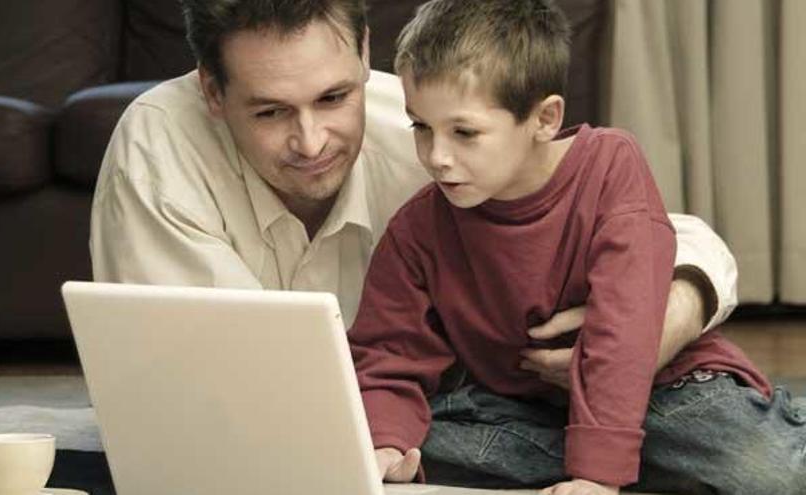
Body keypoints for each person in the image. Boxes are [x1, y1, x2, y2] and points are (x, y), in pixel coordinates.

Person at [87, 0, 755, 486]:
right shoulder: (159, 151)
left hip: (582, 393)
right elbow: (201, 396)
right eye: (270, 112)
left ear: (365, 48)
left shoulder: (439, 120)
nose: (313, 141)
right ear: (212, 91)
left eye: (333, 96)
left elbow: (667, 231)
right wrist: (382, 437)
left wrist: (666, 316)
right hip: (424, 409)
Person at [348, 1, 806, 494]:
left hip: (663, 390)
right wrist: (386, 444)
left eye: (464, 133)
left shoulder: (611, 166)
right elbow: (390, 353)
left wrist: (596, 477)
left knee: (766, 473)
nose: (435, 157)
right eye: (421, 127)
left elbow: (621, 331)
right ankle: (636, 466)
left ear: (545, 118)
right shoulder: (419, 226)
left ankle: (623, 460)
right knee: (416, 443)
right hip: (527, 410)